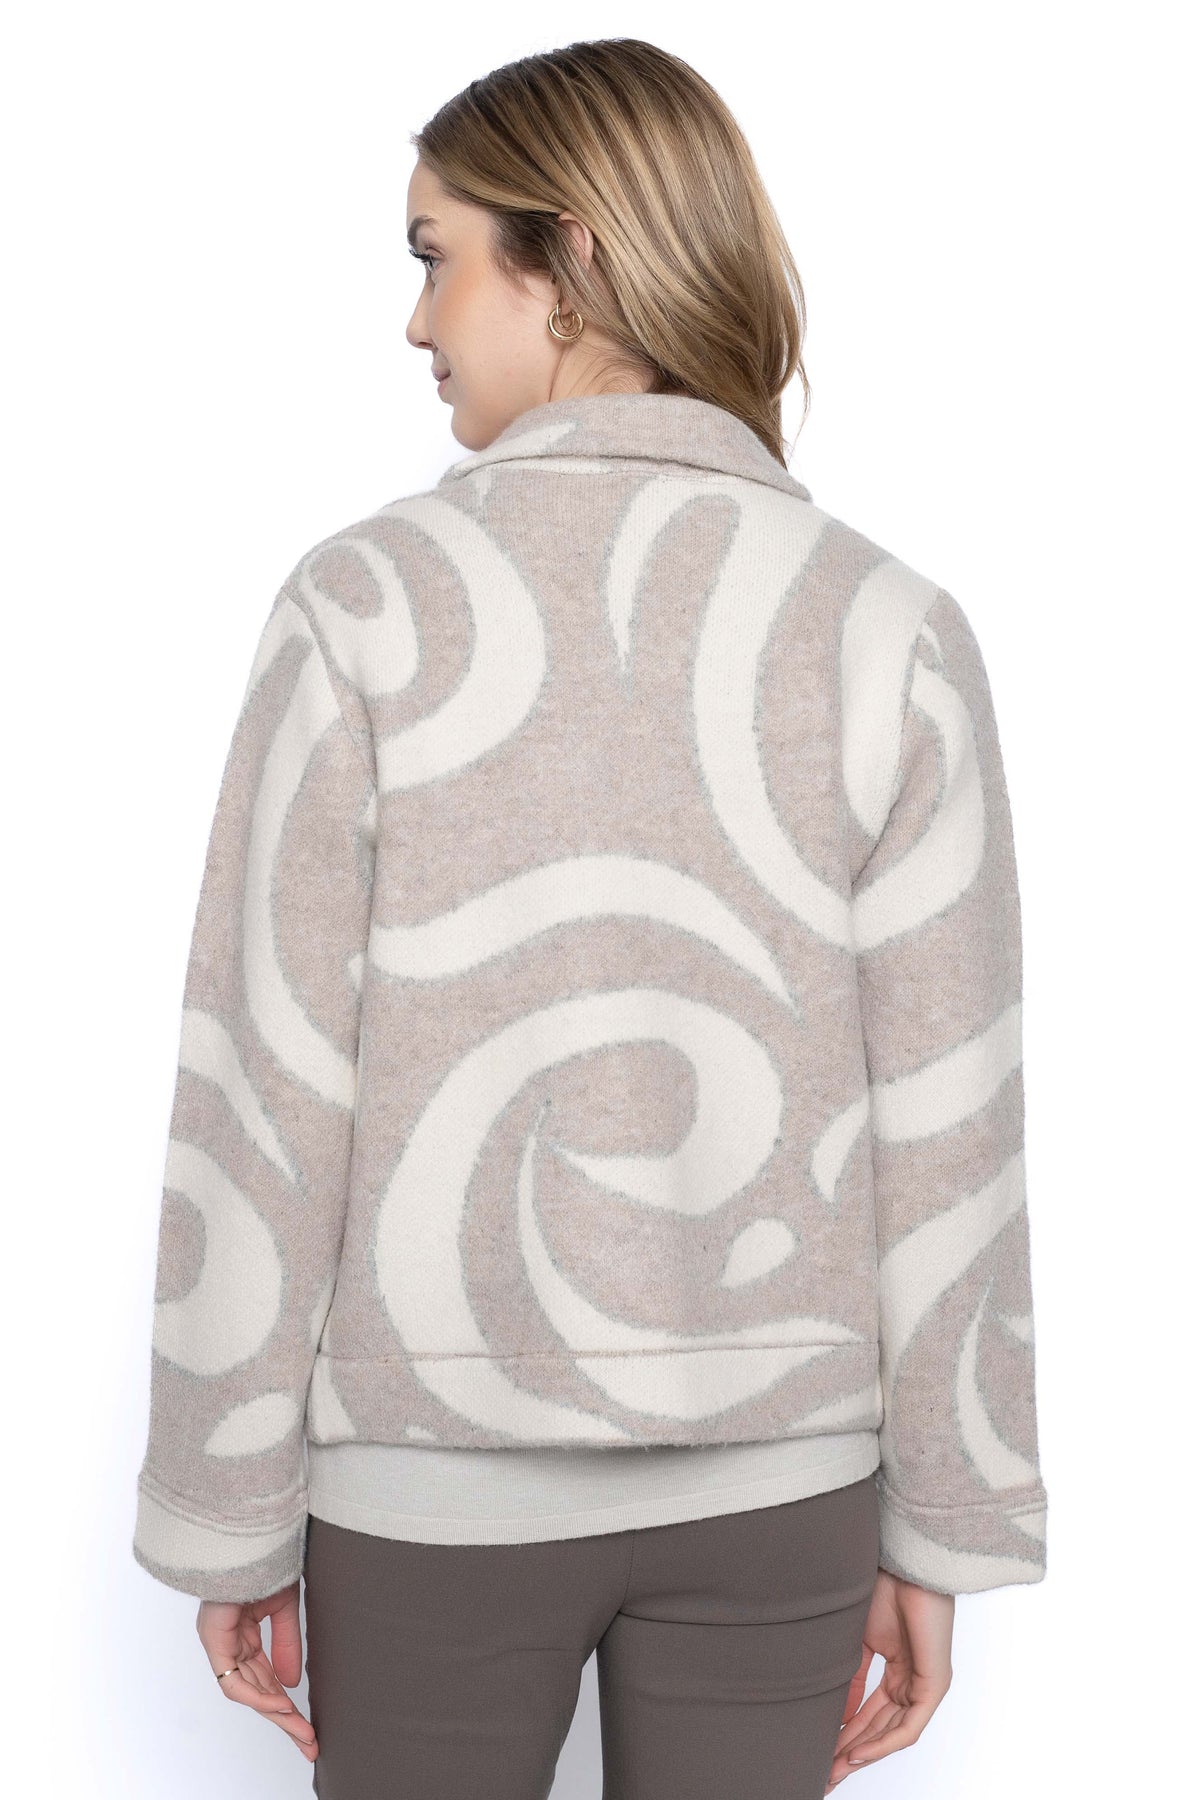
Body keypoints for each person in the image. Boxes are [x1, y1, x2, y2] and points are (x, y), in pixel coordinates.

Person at [130, 36, 1048, 1800]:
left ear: (570, 260)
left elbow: (266, 1079)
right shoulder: (887, 627)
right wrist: (943, 1517)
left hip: (427, 1487)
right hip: (786, 1493)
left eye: (436, 255)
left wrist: (226, 1508)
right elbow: (950, 1114)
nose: (414, 320)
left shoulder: (362, 608)